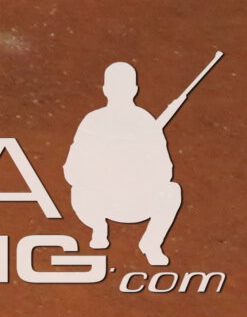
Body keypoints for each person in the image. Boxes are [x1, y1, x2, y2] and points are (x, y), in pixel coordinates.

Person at [65, 60, 188, 266]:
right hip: (100, 201)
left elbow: (165, 172)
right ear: (105, 89)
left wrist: (137, 168)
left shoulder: (146, 123)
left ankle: (151, 243)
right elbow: (72, 169)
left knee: (172, 191)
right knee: (78, 190)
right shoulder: (92, 121)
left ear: (134, 90)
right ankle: (98, 228)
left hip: (136, 201)